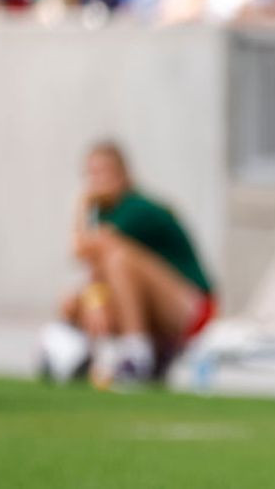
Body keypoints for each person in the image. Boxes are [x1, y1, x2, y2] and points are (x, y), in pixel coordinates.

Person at [60, 141, 215, 385]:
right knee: (73, 302)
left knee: (118, 256)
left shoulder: (137, 208)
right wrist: (93, 299)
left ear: (123, 175)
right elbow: (96, 270)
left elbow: (80, 250)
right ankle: (92, 354)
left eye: (103, 172)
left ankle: (136, 352)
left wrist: (79, 204)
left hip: (191, 307)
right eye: (91, 173)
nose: (95, 181)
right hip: (156, 310)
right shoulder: (105, 214)